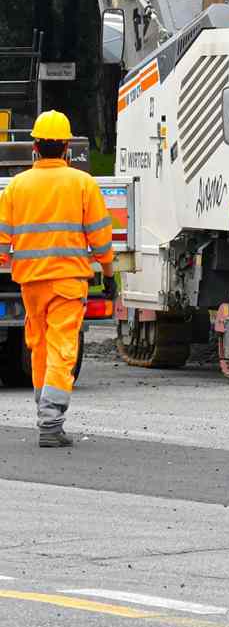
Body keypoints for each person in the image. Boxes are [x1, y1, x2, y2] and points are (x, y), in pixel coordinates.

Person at [0, 110, 114, 448]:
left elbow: (2, 241)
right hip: (68, 281)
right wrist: (108, 275)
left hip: (31, 283)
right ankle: (50, 423)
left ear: (34, 146)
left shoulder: (16, 187)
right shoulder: (82, 184)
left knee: (39, 347)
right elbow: (100, 237)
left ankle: (44, 414)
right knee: (63, 349)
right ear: (66, 148)